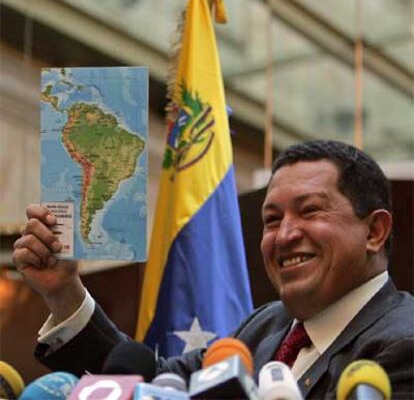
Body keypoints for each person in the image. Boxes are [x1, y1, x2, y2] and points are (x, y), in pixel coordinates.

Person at [13, 140, 414, 398]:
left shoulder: (403, 345)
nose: (285, 234)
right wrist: (63, 292)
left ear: (375, 231)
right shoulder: (263, 326)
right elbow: (151, 384)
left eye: (309, 211)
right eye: (272, 220)